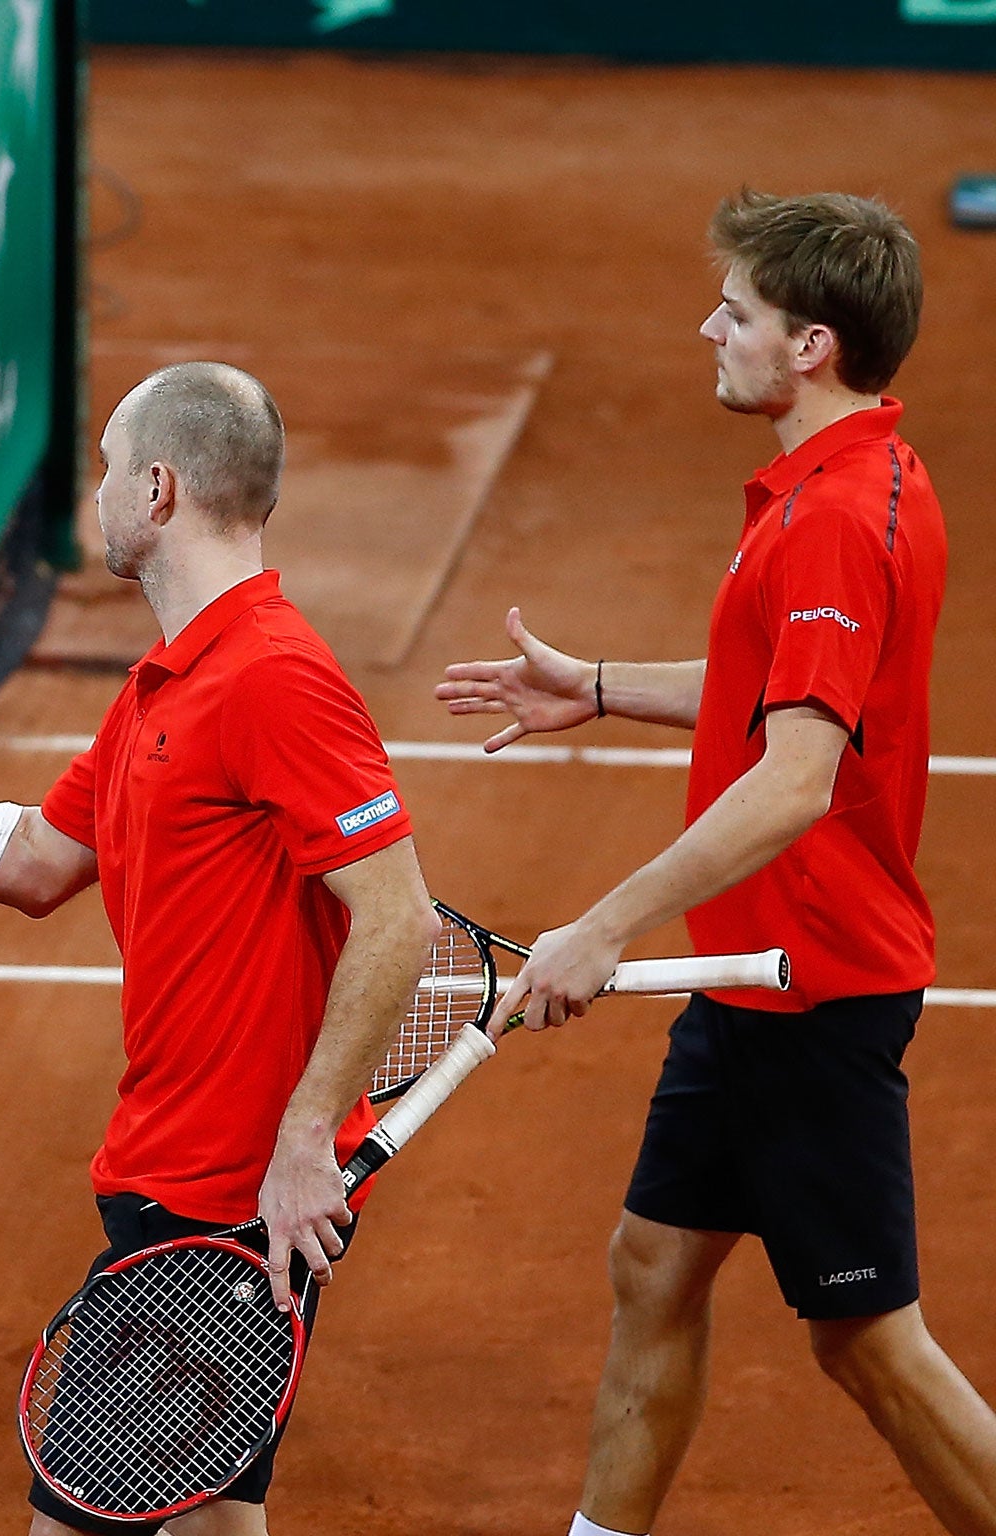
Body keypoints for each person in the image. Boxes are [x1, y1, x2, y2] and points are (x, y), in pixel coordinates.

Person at [0, 362, 440, 1536]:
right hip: (175, 1161)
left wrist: (305, 1135)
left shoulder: (273, 680)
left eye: (107, 470)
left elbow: (397, 915)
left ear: (157, 489)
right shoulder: (161, 687)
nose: (95, 493)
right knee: (212, 1517)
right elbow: (32, 862)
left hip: (222, 1191)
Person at [437, 190, 996, 1536]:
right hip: (752, 979)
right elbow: (789, 691)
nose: (713, 329)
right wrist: (603, 687)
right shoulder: (848, 482)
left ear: (808, 345)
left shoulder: (834, 519)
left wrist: (603, 926)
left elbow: (798, 777)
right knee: (654, 1269)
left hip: (811, 983)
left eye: (735, 313)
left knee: (867, 1343)